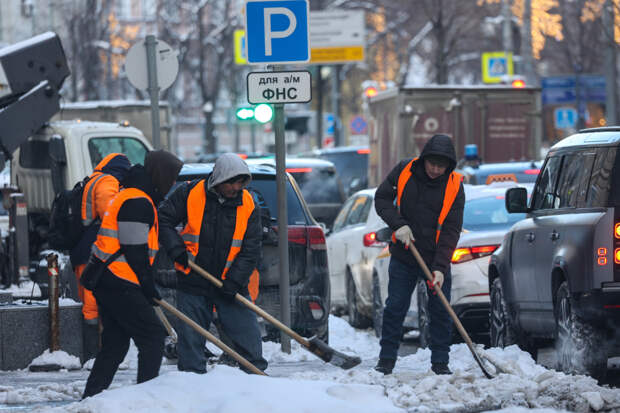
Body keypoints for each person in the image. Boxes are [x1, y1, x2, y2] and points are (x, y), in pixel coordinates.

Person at [82, 150, 183, 398]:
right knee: (152, 337)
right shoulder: (137, 201)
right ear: (161, 175)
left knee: (115, 345)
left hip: (110, 279)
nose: (172, 184)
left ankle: (92, 397)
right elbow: (134, 248)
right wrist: (147, 285)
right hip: (120, 280)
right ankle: (144, 398)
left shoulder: (134, 195)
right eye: (171, 177)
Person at [158, 153, 267, 374]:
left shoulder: (248, 204)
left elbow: (251, 249)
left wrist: (235, 280)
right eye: (232, 182)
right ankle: (193, 385)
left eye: (240, 182)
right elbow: (163, 219)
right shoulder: (189, 193)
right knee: (190, 343)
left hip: (230, 283)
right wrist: (176, 249)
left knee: (249, 339)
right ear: (218, 179)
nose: (236, 187)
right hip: (194, 280)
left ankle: (257, 382)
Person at [374, 134, 464, 376]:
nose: (435, 169)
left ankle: (440, 363)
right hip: (405, 255)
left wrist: (440, 267)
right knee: (395, 307)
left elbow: (451, 229)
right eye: (432, 163)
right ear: (424, 159)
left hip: (435, 258)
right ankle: (386, 360)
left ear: (449, 165)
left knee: (440, 310)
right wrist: (398, 224)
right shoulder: (404, 170)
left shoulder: (455, 185)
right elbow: (381, 198)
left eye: (441, 165)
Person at [71, 153, 131, 360]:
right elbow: (109, 211)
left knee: (90, 301)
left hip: (84, 248)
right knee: (91, 304)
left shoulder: (94, 179)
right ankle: (92, 354)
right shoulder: (107, 181)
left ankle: (94, 352)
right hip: (92, 249)